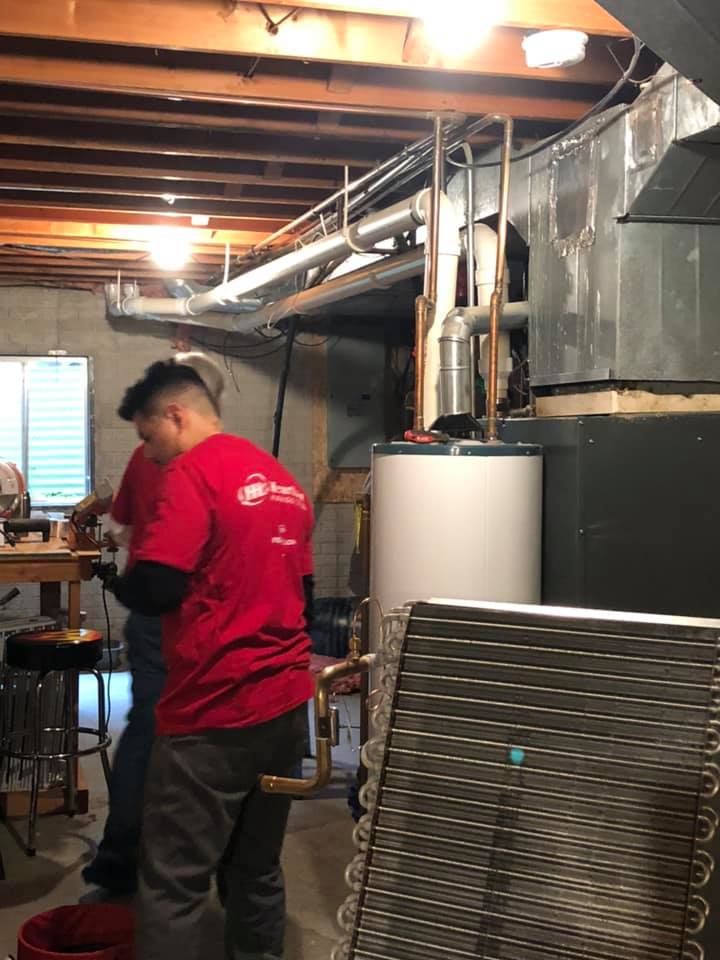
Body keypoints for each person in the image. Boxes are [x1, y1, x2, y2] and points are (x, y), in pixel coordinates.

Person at [102, 360, 315, 960]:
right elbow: (305, 593)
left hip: (213, 711)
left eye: (149, 437)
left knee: (174, 881)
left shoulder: (190, 473)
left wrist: (117, 583)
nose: (150, 454)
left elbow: (158, 587)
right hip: (285, 707)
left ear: (176, 416)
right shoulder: (280, 479)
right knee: (256, 867)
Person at [82, 352, 225, 897]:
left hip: (161, 613)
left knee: (151, 727)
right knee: (181, 733)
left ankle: (124, 860)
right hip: (191, 616)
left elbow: (120, 524)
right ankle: (159, 859)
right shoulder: (214, 460)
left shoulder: (150, 457)